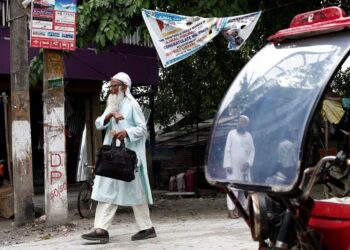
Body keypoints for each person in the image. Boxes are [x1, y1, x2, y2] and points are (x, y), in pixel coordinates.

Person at [82, 72, 156, 244]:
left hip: (129, 159)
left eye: (114, 86)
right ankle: (100, 230)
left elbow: (142, 129)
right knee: (107, 190)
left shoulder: (133, 105)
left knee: (136, 193)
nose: (111, 89)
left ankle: (147, 228)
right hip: (111, 157)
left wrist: (126, 133)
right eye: (110, 86)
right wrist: (109, 115)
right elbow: (98, 123)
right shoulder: (112, 104)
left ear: (124, 87)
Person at [223, 115, 255, 219]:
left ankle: (243, 210)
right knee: (232, 189)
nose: (240, 123)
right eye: (239, 121)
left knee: (243, 190)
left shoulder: (249, 136)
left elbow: (252, 151)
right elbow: (227, 149)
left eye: (243, 122)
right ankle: (231, 211)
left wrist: (249, 163)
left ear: (246, 124)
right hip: (233, 168)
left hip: (244, 168)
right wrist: (228, 164)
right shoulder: (231, 133)